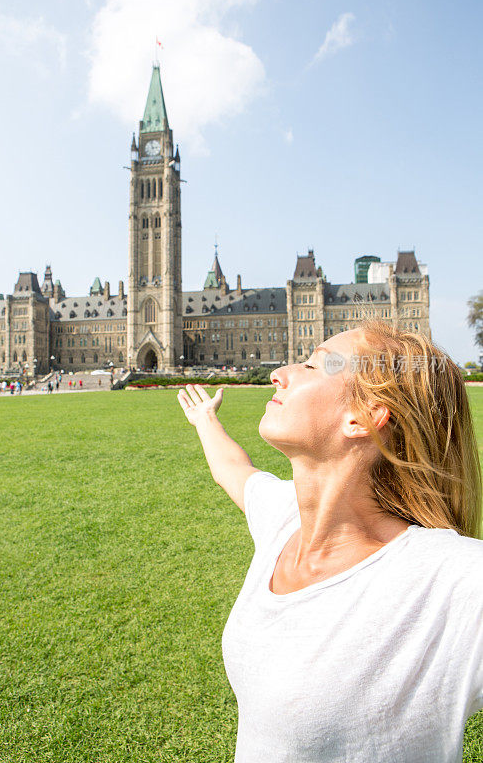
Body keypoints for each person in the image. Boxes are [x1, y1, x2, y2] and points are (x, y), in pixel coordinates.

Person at [177, 320, 483, 763]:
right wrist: (205, 419)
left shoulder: (450, 579)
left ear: (363, 418)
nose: (279, 372)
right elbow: (235, 471)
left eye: (312, 364)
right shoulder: (285, 523)